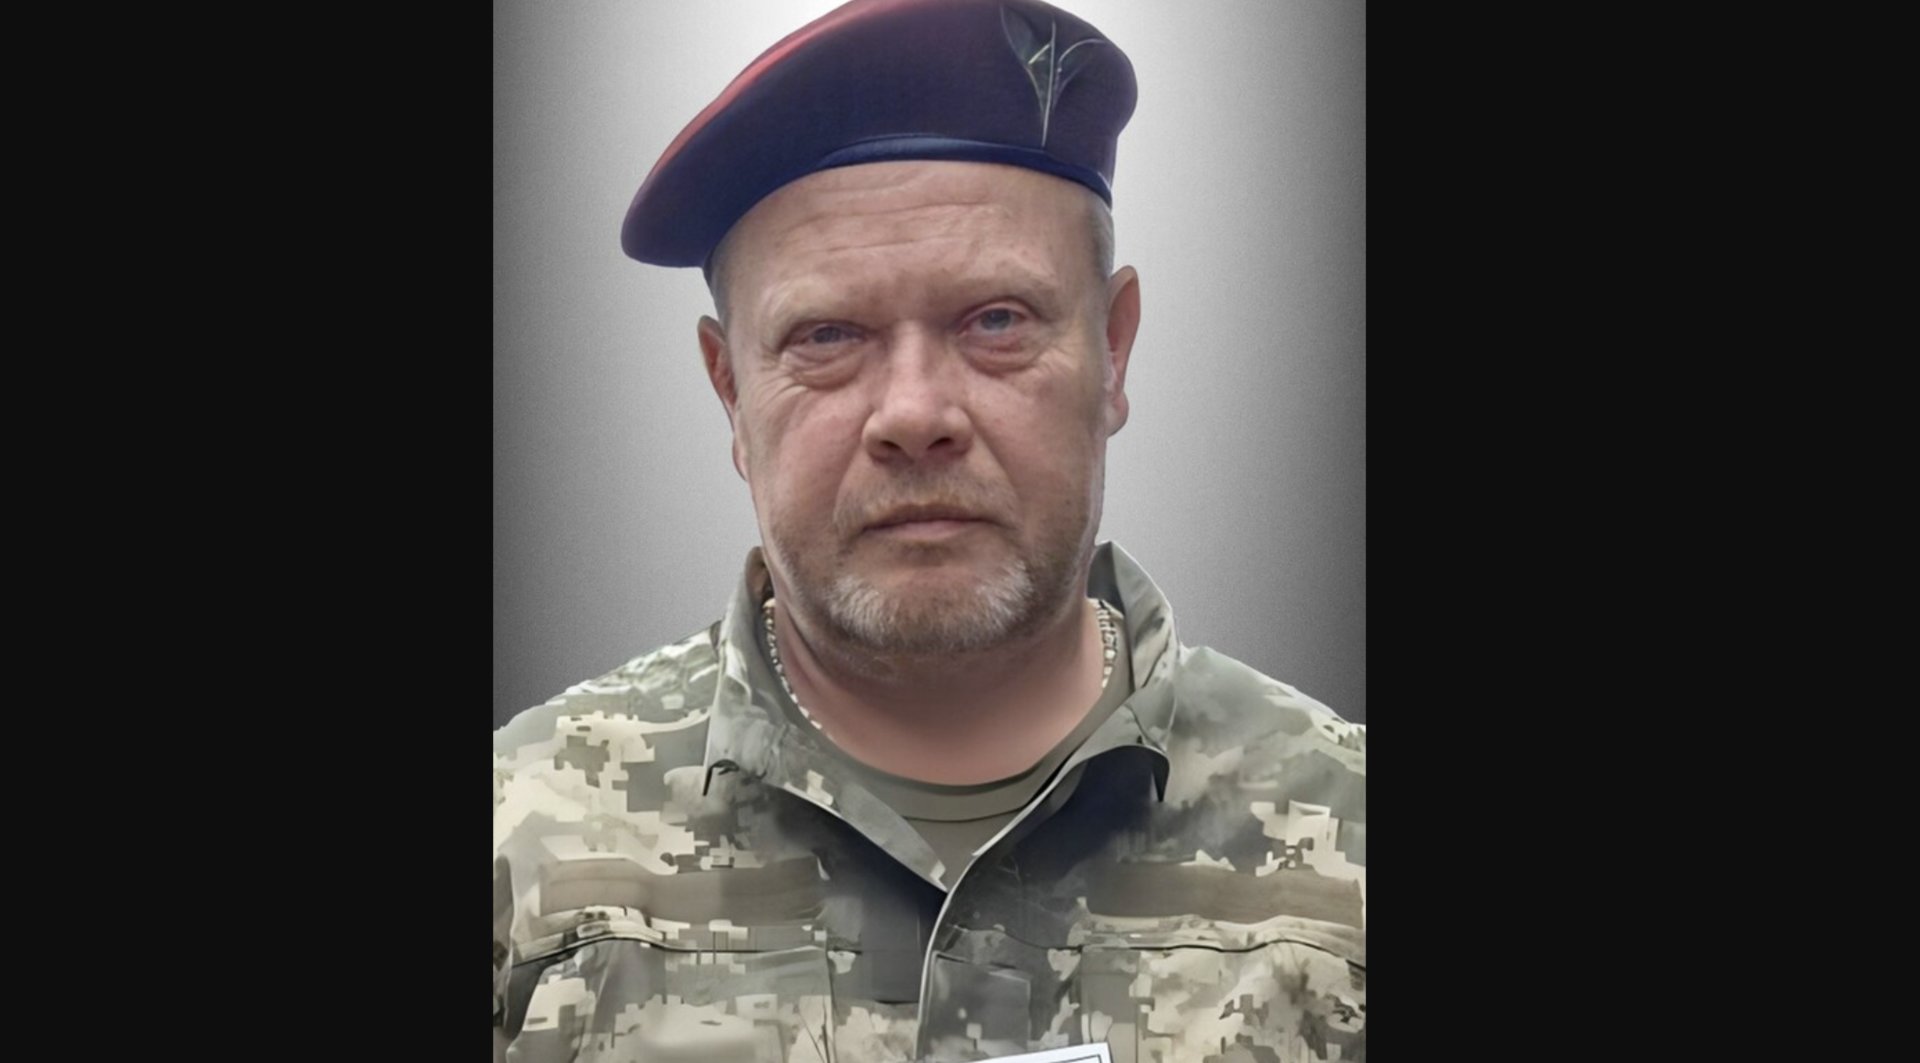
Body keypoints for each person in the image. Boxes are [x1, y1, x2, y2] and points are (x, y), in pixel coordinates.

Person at [493, 2, 1364, 1060]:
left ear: (1113, 349)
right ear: (731, 391)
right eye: (827, 335)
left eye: (996, 320)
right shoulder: (521, 849)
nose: (914, 414)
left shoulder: (1350, 843)